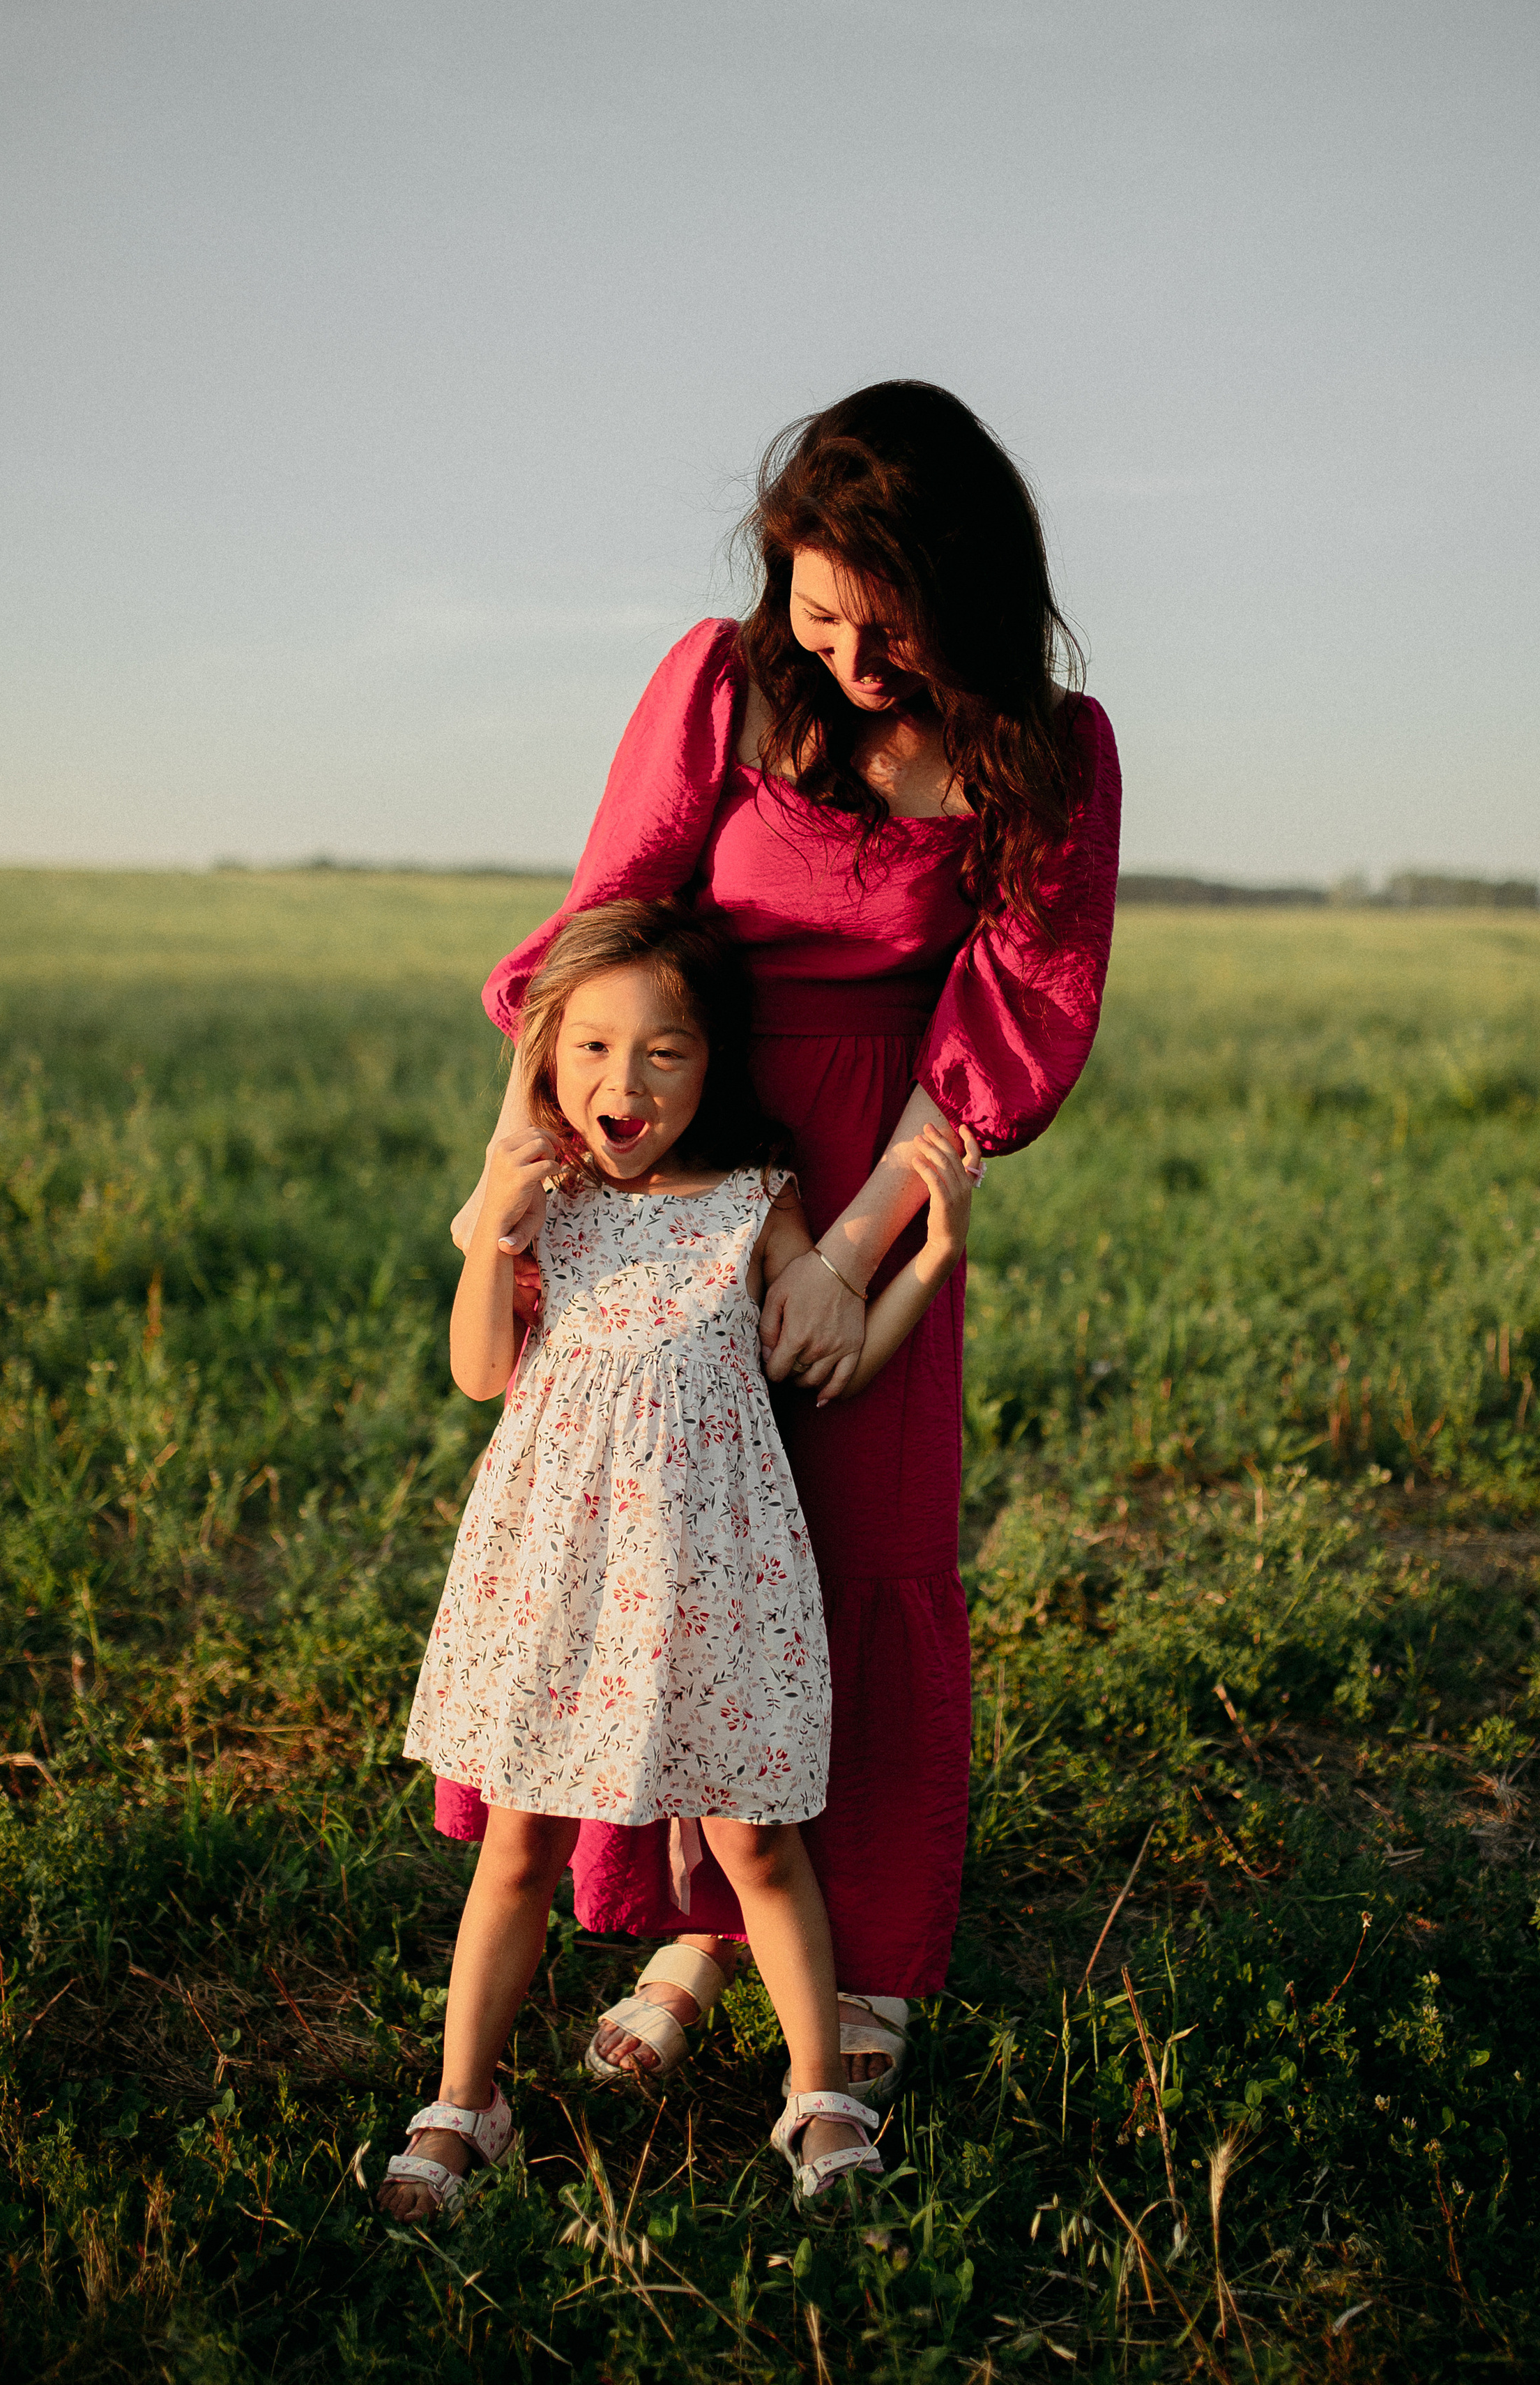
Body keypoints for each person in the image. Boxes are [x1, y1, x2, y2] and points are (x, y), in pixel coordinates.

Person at [446, 379, 1120, 2103]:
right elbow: (615, 919)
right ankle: (696, 1921)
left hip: (882, 1175)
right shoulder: (723, 681)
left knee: (852, 1559)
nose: (845, 657)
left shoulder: (1045, 752)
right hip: (686, 1147)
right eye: (815, 612)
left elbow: (1007, 1024)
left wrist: (849, 1260)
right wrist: (522, 1163)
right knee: (679, 1565)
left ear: (963, 585)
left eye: (881, 623)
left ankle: (870, 1963)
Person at [379, 900, 978, 2218]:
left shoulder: (754, 1203)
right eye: (589, 1050)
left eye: (666, 1052)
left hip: (719, 1588)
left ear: (715, 1065)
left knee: (758, 1847)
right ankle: (463, 2094)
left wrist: (929, 1263)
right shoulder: (546, 1204)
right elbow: (482, 1372)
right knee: (519, 1845)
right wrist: (499, 1215)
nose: (624, 1084)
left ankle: (816, 2093)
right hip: (560, 1579)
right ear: (544, 1061)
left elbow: (832, 1365)